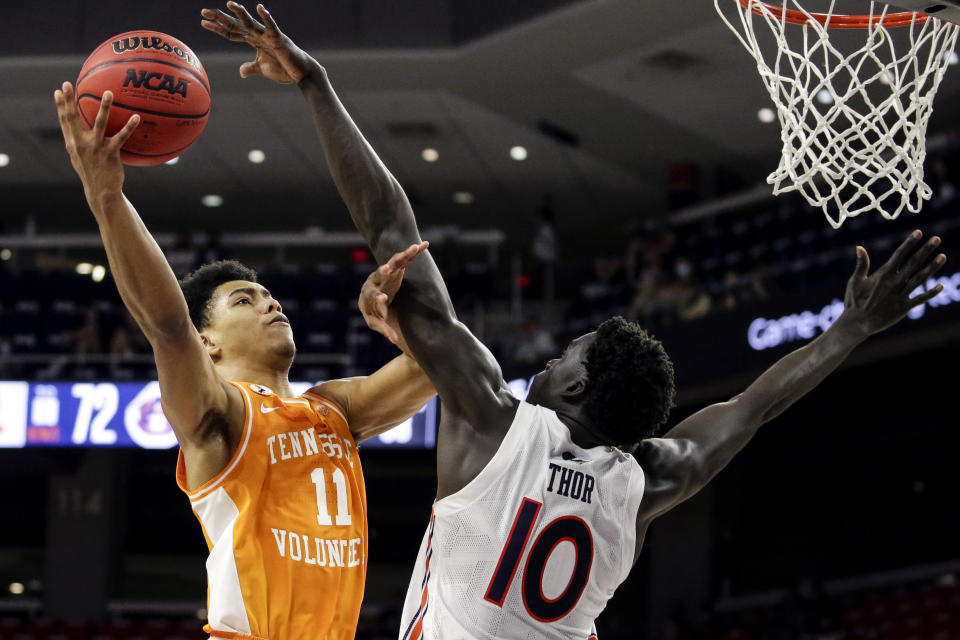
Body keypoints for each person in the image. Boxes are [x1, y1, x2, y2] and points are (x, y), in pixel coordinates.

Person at [202, 4, 949, 639]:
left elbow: (392, 224)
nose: (550, 360)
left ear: (575, 387)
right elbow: (754, 408)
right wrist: (849, 333)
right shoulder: (647, 478)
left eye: (566, 355)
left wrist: (316, 83)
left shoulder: (497, 425)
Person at [54, 35, 436, 640]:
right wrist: (107, 197)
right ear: (210, 342)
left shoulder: (331, 409)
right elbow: (167, 324)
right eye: (244, 300)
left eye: (268, 296)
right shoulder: (218, 416)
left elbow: (440, 367)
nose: (271, 303)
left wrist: (398, 323)